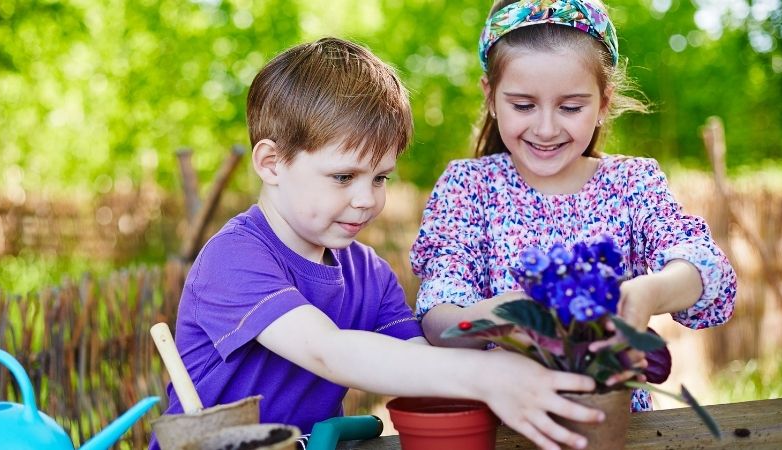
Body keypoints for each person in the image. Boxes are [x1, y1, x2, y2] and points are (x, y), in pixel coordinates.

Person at [151, 37, 606, 450]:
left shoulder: (368, 272)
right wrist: (486, 375)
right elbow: (326, 350)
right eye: (343, 176)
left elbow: (417, 365)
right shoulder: (234, 258)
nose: (367, 199)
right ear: (271, 163)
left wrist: (505, 340)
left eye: (381, 177)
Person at [411, 0, 737, 413]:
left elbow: (707, 270)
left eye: (570, 107)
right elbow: (439, 316)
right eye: (523, 105)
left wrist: (647, 293)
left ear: (603, 103)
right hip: (499, 426)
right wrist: (504, 317)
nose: (546, 128)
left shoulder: (631, 183)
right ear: (491, 97)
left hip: (611, 425)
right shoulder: (468, 187)